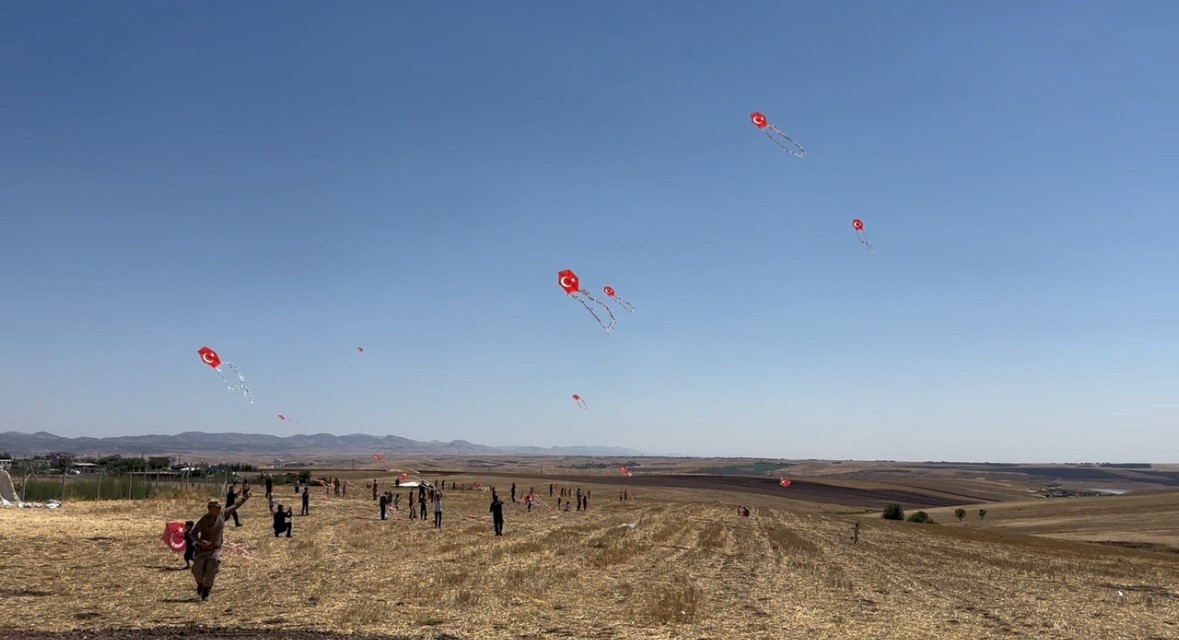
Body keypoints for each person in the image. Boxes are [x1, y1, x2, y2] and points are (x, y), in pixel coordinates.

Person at [190, 487, 250, 601]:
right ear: (210, 509)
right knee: (196, 570)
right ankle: (200, 584)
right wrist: (200, 542)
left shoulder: (222, 515)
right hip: (202, 550)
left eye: (220, 507)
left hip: (215, 550)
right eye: (217, 507)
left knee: (211, 571)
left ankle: (206, 592)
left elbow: (234, 506)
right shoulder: (204, 520)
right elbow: (193, 534)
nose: (219, 509)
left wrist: (245, 498)